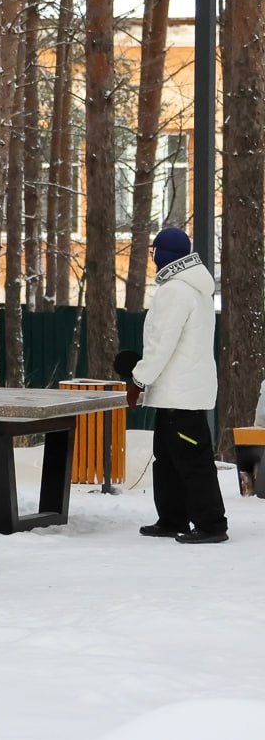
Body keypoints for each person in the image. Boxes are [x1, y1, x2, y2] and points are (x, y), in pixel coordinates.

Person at [129, 227, 228, 544]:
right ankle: (172, 518)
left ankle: (211, 524)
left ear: (162, 254)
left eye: (153, 250)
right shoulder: (195, 289)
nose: (152, 257)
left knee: (191, 460)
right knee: (169, 458)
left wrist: (138, 379)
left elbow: (162, 343)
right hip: (182, 392)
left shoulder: (176, 291)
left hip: (180, 395)